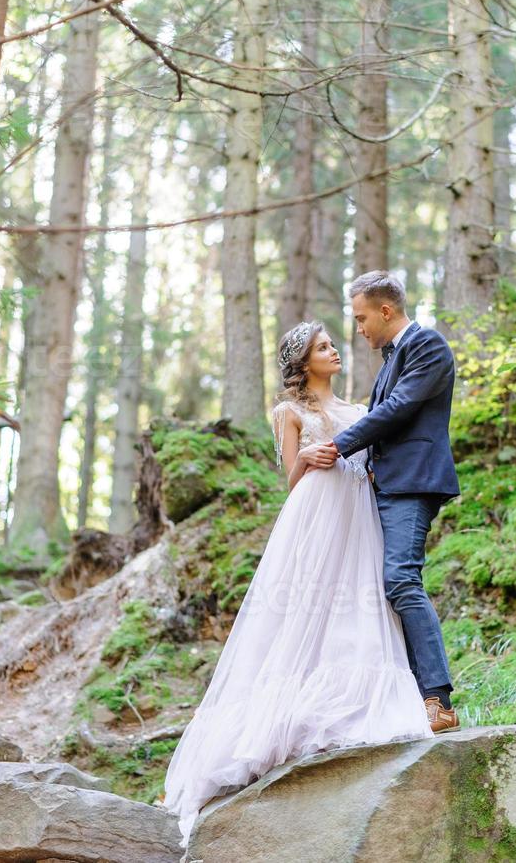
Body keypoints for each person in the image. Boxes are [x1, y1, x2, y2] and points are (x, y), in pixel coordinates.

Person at [163, 320, 433, 850]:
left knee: (361, 603)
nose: (335, 351)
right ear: (302, 361)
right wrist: (308, 457)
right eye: (324, 347)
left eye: (334, 344)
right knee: (306, 608)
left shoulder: (359, 411)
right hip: (314, 515)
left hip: (360, 516)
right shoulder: (289, 412)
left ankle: (362, 701)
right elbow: (290, 481)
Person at [327, 271, 461, 733]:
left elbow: (398, 407)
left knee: (401, 579)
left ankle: (437, 700)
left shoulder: (427, 346)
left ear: (386, 310)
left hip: (412, 482)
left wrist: (335, 445)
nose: (358, 328)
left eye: (362, 318)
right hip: (384, 484)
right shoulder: (390, 359)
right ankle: (402, 697)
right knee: (382, 589)